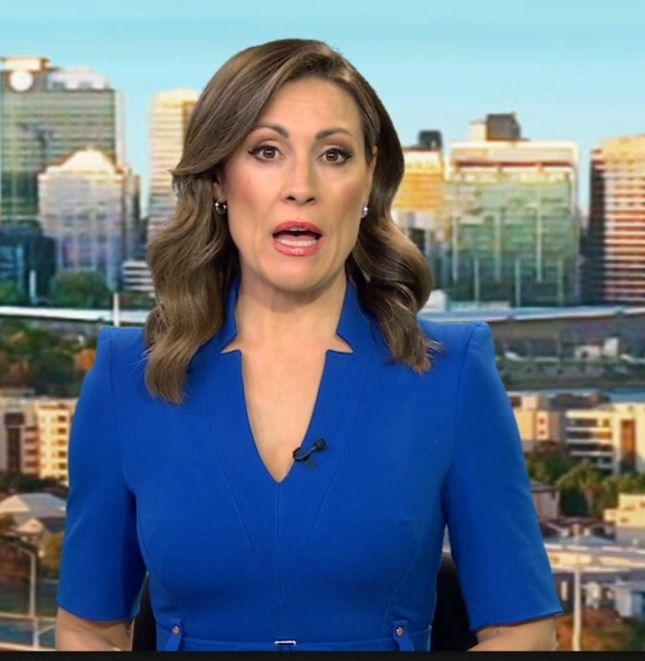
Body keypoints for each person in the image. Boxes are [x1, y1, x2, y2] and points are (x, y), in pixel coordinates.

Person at [55, 38, 562, 652]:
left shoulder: (451, 374)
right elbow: (89, 628)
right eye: (266, 152)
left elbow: (523, 630)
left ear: (369, 178)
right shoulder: (125, 377)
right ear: (218, 180)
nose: (301, 186)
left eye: (334, 154)